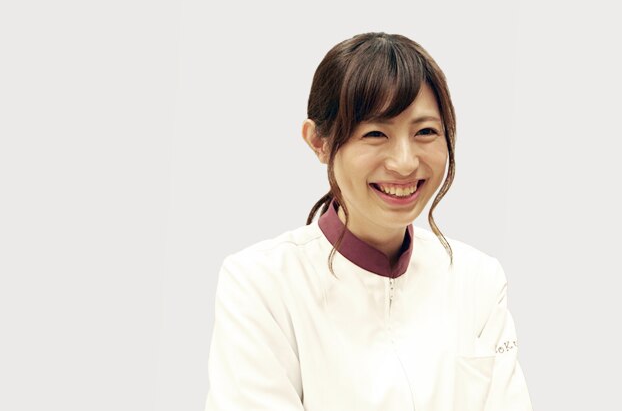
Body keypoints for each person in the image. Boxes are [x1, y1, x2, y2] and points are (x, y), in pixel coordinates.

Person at [204, 32, 533, 410]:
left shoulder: (478, 280)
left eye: (425, 132)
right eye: (376, 134)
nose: (405, 162)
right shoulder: (261, 284)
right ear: (319, 142)